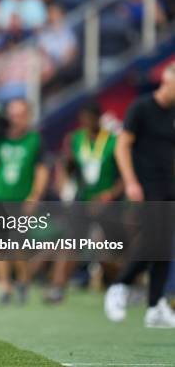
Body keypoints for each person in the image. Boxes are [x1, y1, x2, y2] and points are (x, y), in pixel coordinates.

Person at [104, 62, 175, 328]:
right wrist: (131, 182)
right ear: (167, 82)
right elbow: (121, 147)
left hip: (168, 185)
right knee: (154, 240)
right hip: (146, 184)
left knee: (163, 246)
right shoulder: (141, 108)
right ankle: (119, 286)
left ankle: (155, 306)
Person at [45, 101, 122, 304]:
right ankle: (57, 287)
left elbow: (124, 175)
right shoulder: (76, 139)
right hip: (83, 199)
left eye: (91, 119)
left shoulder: (113, 140)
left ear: (99, 118)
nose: (87, 123)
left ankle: (122, 286)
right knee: (70, 243)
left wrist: (110, 193)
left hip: (108, 202)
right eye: (83, 119)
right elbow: (68, 166)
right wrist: (62, 176)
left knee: (108, 252)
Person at [0, 99, 49, 305]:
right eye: (13, 115)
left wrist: (34, 196)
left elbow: (42, 170)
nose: (15, 119)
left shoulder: (34, 139)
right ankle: (4, 286)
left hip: (21, 199)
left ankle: (23, 281)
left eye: (20, 115)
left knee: (19, 245)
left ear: (27, 116)